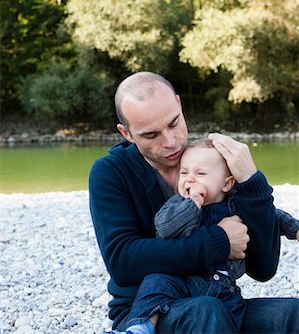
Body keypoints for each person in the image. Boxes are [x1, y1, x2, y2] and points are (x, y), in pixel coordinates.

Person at [89, 71, 299, 334]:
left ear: (179, 104)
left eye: (174, 123)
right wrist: (219, 242)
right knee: (205, 310)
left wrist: (251, 182)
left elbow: (263, 268)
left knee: (292, 315)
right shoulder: (111, 172)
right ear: (127, 133)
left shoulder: (211, 161)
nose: (170, 141)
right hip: (148, 313)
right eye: (151, 135)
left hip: (224, 301)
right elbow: (123, 261)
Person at [106, 139, 299, 334]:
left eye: (200, 174)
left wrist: (295, 229)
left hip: (225, 292)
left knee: (291, 311)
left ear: (227, 184)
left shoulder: (235, 205)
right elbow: (164, 228)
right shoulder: (180, 204)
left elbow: (272, 216)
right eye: (184, 172)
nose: (190, 179)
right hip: (181, 291)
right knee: (157, 284)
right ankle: (140, 327)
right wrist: (194, 204)